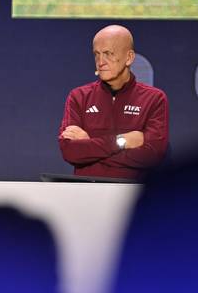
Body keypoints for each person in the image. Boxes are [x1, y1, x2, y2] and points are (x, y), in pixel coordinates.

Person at [58, 25, 169, 180]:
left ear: (129, 57)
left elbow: (152, 155)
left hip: (132, 195)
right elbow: (70, 152)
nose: (100, 61)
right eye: (96, 54)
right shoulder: (79, 97)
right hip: (86, 192)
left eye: (108, 54)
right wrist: (121, 141)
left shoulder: (154, 99)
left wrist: (89, 145)